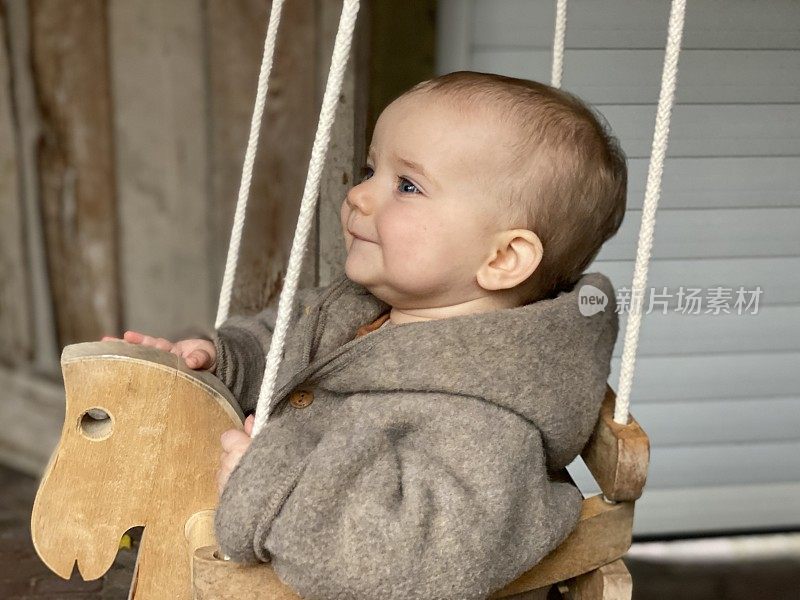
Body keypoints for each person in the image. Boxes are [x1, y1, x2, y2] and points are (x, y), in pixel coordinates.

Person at [104, 70, 627, 599]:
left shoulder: (485, 423)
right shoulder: (363, 307)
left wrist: (273, 481)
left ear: (502, 258)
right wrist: (220, 361)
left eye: (407, 186)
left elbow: (407, 560)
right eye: (370, 169)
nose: (358, 195)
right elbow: (280, 341)